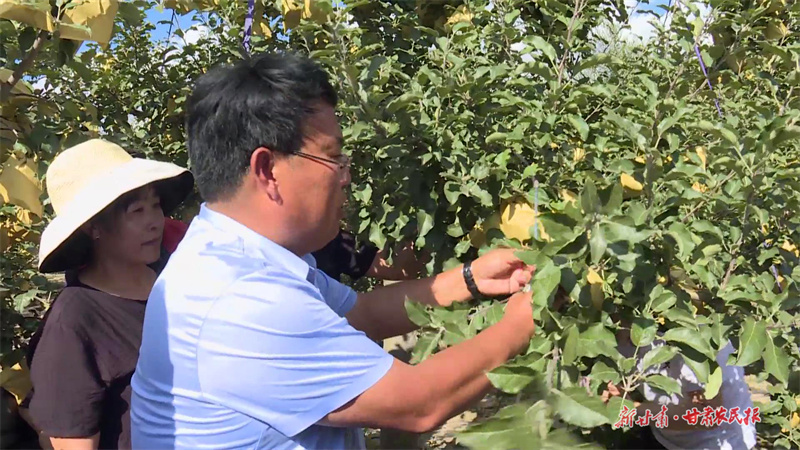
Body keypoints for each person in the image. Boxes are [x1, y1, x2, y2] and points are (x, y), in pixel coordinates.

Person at [130, 51, 537, 450]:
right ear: (268, 170)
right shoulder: (241, 296)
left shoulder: (236, 255)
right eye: (332, 157)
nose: (345, 177)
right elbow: (419, 402)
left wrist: (471, 279)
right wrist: (523, 323)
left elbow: (365, 315)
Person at [23, 139, 194, 450]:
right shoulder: (75, 318)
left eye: (155, 206)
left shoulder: (177, 276)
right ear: (94, 227)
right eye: (137, 211)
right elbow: (73, 442)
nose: (154, 222)